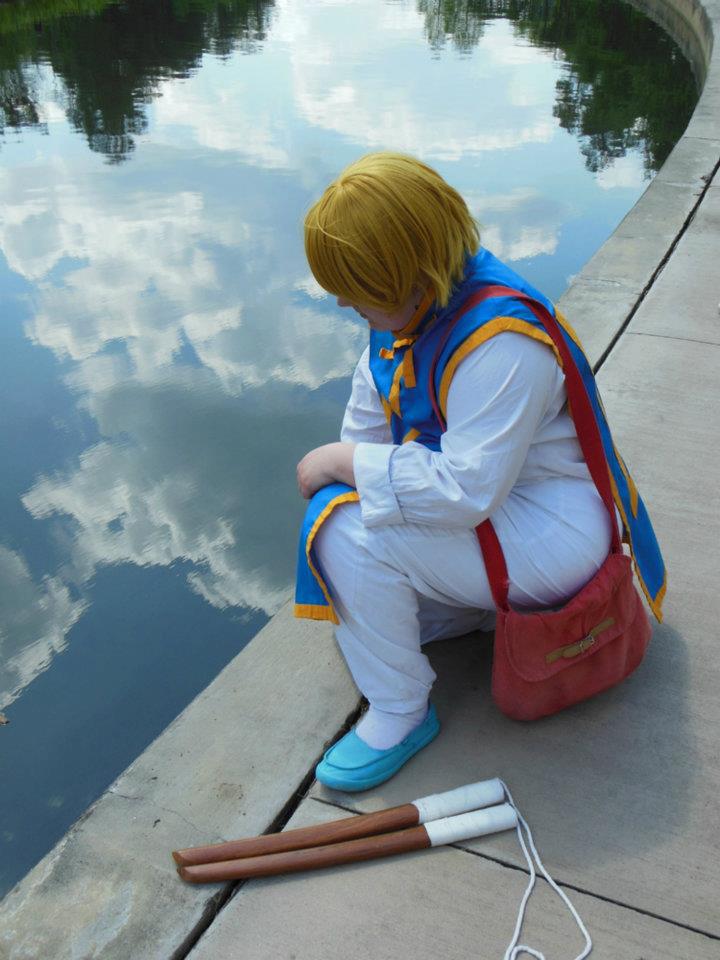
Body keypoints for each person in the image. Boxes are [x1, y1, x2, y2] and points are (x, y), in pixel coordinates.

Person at [294, 152, 665, 792]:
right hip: (500, 505)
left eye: (356, 286)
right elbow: (368, 432)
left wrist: (339, 462)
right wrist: (349, 465)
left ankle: (401, 711)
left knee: (343, 533)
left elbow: (464, 491)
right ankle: (471, 611)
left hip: (552, 526)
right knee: (341, 514)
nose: (342, 300)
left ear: (403, 272)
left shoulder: (500, 341)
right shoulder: (409, 313)